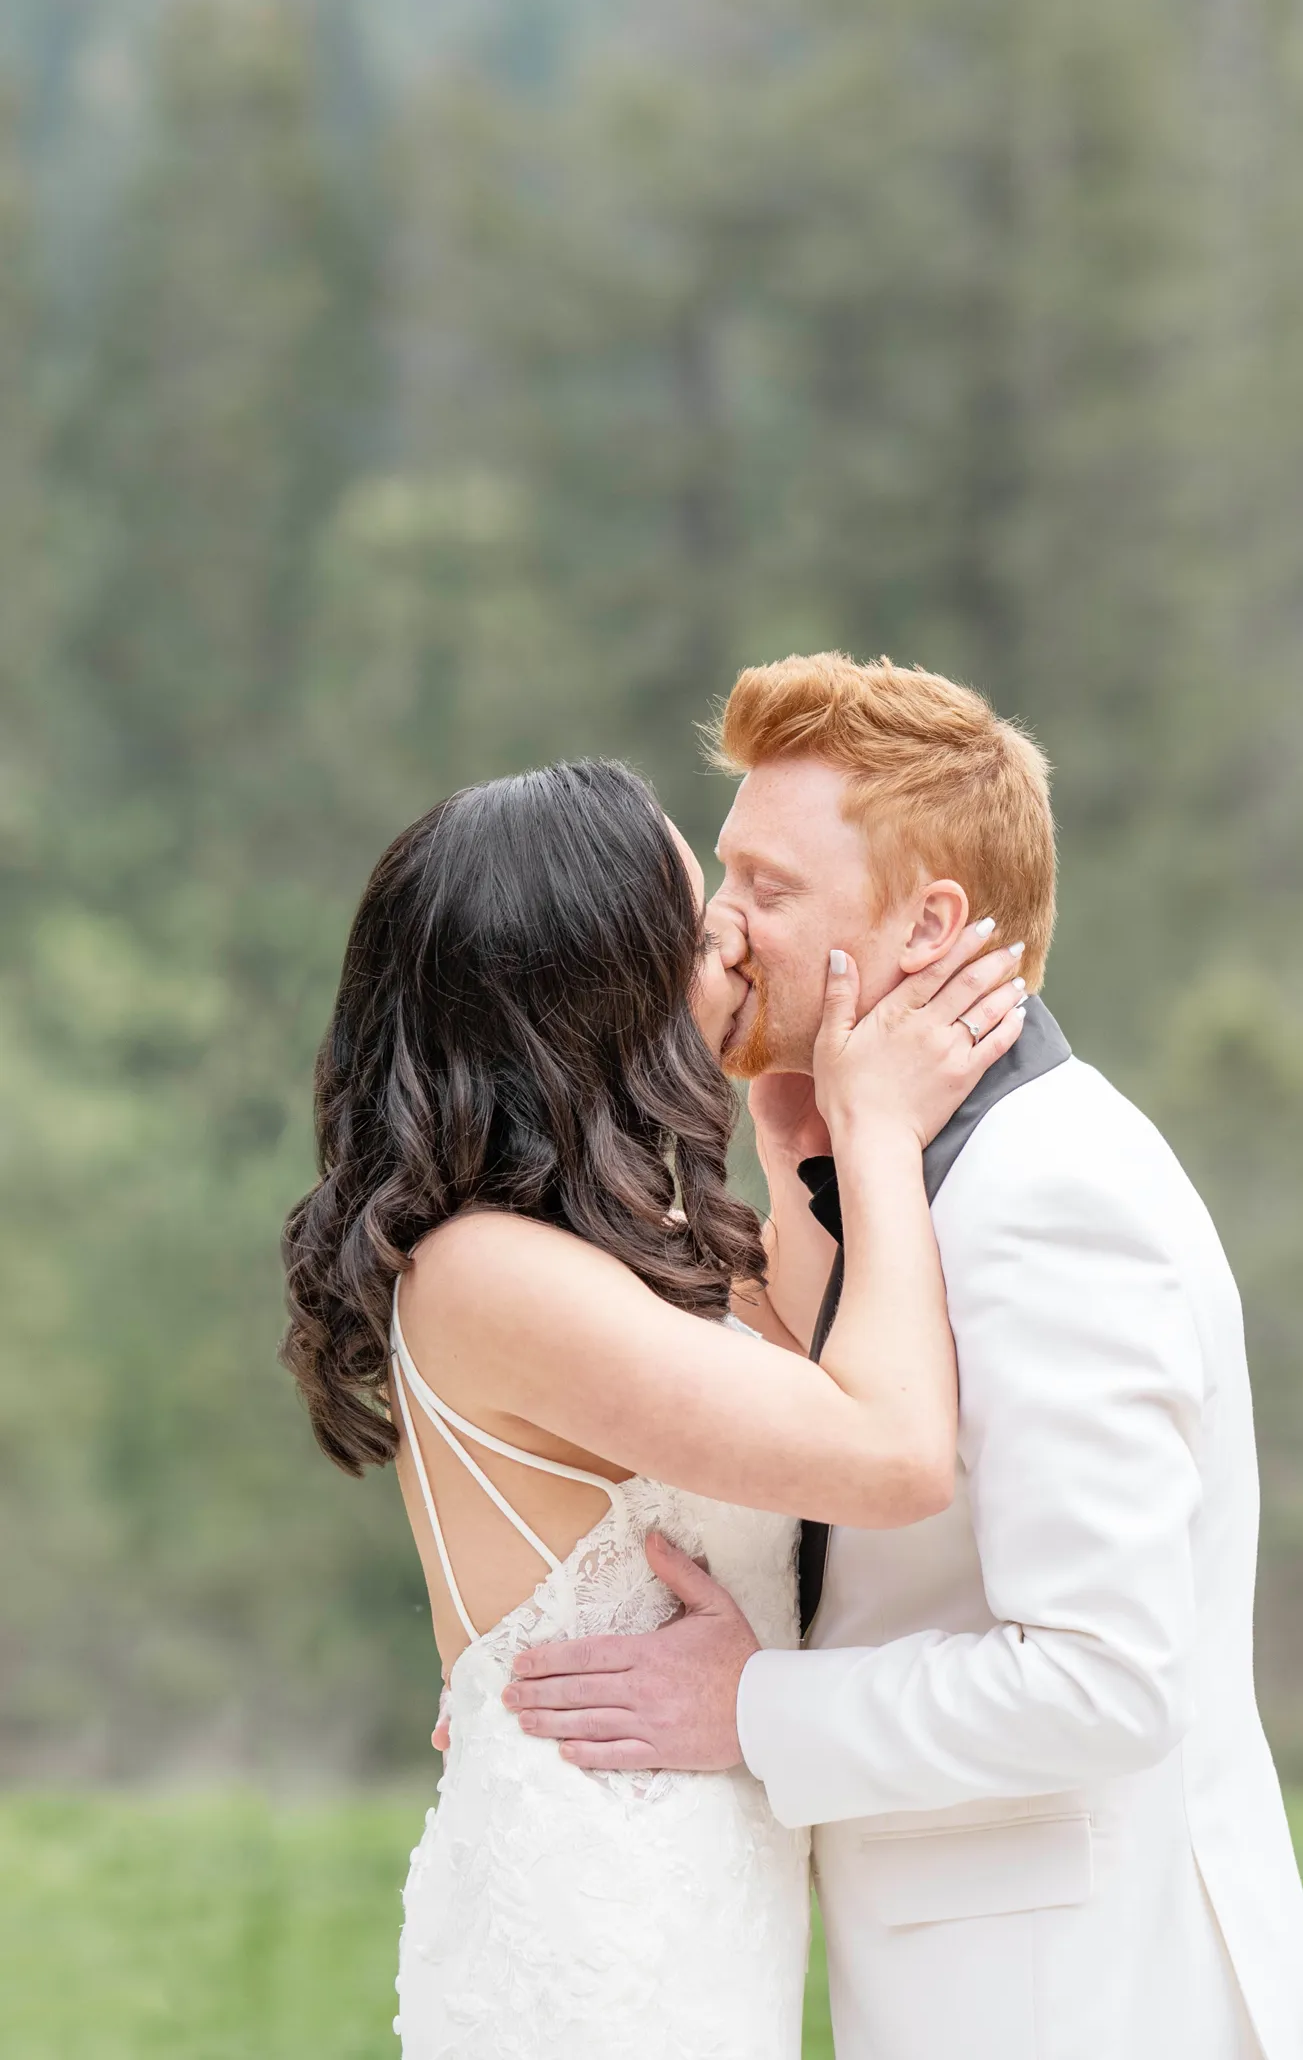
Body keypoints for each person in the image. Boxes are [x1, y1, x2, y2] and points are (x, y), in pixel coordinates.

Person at [506, 654, 1303, 2060]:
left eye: (770, 888)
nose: (720, 924)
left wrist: (745, 1708)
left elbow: (1105, 1682)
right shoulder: (889, 1174)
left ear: (928, 926)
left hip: (1089, 2007)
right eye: (727, 873)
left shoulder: (1047, 1194)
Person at [279, 757, 1027, 2060]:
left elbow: (825, 1371)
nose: (734, 934)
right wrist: (878, 1135)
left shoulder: (650, 1249)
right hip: (595, 1935)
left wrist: (792, 1136)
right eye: (694, 917)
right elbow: (892, 1452)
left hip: (692, 1909)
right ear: (600, 983)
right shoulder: (487, 1271)